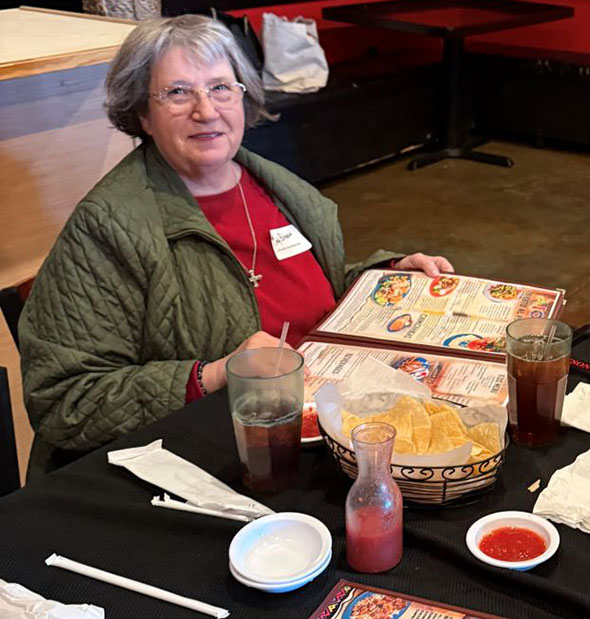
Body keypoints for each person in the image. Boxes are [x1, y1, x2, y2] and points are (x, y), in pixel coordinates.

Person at [19, 15, 452, 466]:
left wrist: (383, 275)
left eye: (222, 88)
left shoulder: (284, 192)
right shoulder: (107, 228)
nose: (206, 110)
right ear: (143, 115)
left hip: (323, 427)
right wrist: (218, 374)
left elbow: (307, 290)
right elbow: (64, 400)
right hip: (210, 456)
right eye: (178, 92)